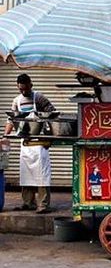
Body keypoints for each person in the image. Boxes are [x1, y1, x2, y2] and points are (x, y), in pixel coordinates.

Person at [3, 74, 56, 214]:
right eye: (21, 89)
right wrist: (4, 135)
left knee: (42, 175)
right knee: (26, 173)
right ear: (17, 87)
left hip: (39, 142)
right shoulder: (16, 101)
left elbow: (53, 114)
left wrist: (49, 134)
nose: (24, 92)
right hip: (25, 143)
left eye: (26, 89)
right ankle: (28, 203)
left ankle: (43, 204)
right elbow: (10, 119)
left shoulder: (39, 97)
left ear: (31, 85)